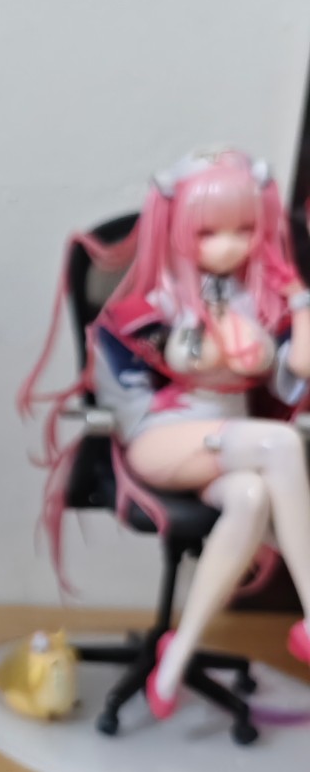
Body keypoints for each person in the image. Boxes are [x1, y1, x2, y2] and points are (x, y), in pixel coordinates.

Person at [20, 149, 310, 717]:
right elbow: (163, 371)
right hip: (162, 437)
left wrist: (297, 295)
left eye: (245, 230)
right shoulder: (149, 305)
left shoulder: (260, 300)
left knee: (251, 497)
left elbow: (300, 366)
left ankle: (175, 658)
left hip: (230, 443)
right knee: (280, 444)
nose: (230, 246)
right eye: (209, 232)